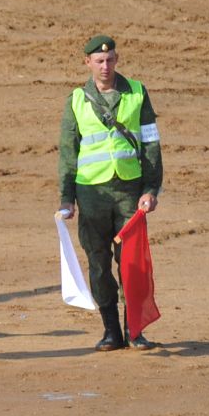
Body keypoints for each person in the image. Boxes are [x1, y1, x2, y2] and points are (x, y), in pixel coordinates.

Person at [58, 34, 163, 350]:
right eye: (99, 61)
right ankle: (111, 331)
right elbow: (68, 151)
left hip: (129, 192)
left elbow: (150, 142)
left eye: (111, 60)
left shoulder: (137, 93)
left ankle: (135, 330)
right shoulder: (76, 100)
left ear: (117, 60)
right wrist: (66, 197)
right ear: (87, 62)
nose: (106, 66)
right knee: (99, 263)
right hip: (90, 194)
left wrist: (151, 188)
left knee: (132, 263)